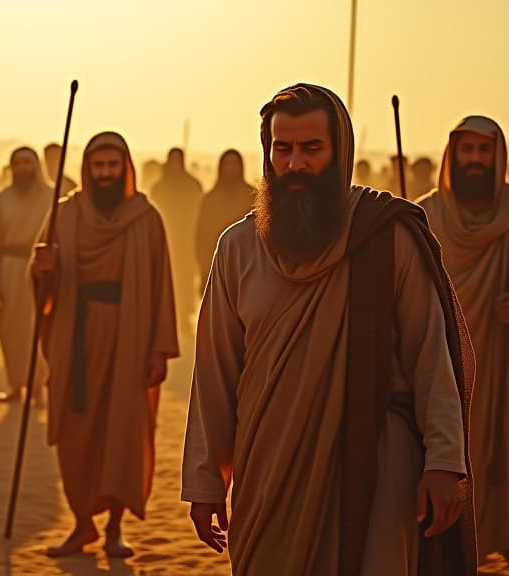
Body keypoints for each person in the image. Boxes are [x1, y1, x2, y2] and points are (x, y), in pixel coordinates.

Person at [182, 83, 475, 575]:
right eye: (283, 148)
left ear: (340, 153)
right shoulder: (236, 249)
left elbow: (431, 355)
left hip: (375, 463)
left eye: (311, 149)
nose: (295, 163)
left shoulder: (387, 237)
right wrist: (206, 482)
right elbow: (214, 374)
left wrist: (444, 460)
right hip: (268, 465)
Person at [31, 131, 178, 558]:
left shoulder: (146, 218)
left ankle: (114, 528)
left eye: (113, 166)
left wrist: (158, 349)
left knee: (123, 433)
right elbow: (43, 279)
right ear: (87, 169)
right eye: (99, 166)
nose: (106, 173)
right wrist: (42, 271)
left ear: (126, 168)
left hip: (129, 339)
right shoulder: (65, 214)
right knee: (77, 433)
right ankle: (82, 525)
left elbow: (162, 287)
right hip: (75, 339)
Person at [417, 115, 509, 571]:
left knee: (501, 451)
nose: (475, 159)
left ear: (498, 156)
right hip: (440, 358)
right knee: (438, 449)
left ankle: (507, 537)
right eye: (467, 150)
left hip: (498, 351)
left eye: (484, 150)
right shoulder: (426, 214)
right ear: (453, 155)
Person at [0, 147, 51, 404]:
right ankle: (16, 385)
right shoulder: (2, 199)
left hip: (41, 271)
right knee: (9, 332)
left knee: (39, 331)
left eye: (27, 162)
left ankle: (38, 387)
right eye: (18, 163)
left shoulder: (52, 197)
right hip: (10, 270)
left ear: (36, 166)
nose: (23, 168)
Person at [151, 147, 204, 327]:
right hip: (165, 238)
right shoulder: (159, 187)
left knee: (184, 280)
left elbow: (198, 211)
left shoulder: (192, 185)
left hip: (186, 239)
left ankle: (182, 317)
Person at [194, 149, 252, 280]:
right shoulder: (210, 200)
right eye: (227, 164)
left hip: (247, 269)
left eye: (234, 164)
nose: (231, 168)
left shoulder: (253, 197)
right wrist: (204, 268)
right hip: (215, 268)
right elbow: (201, 236)